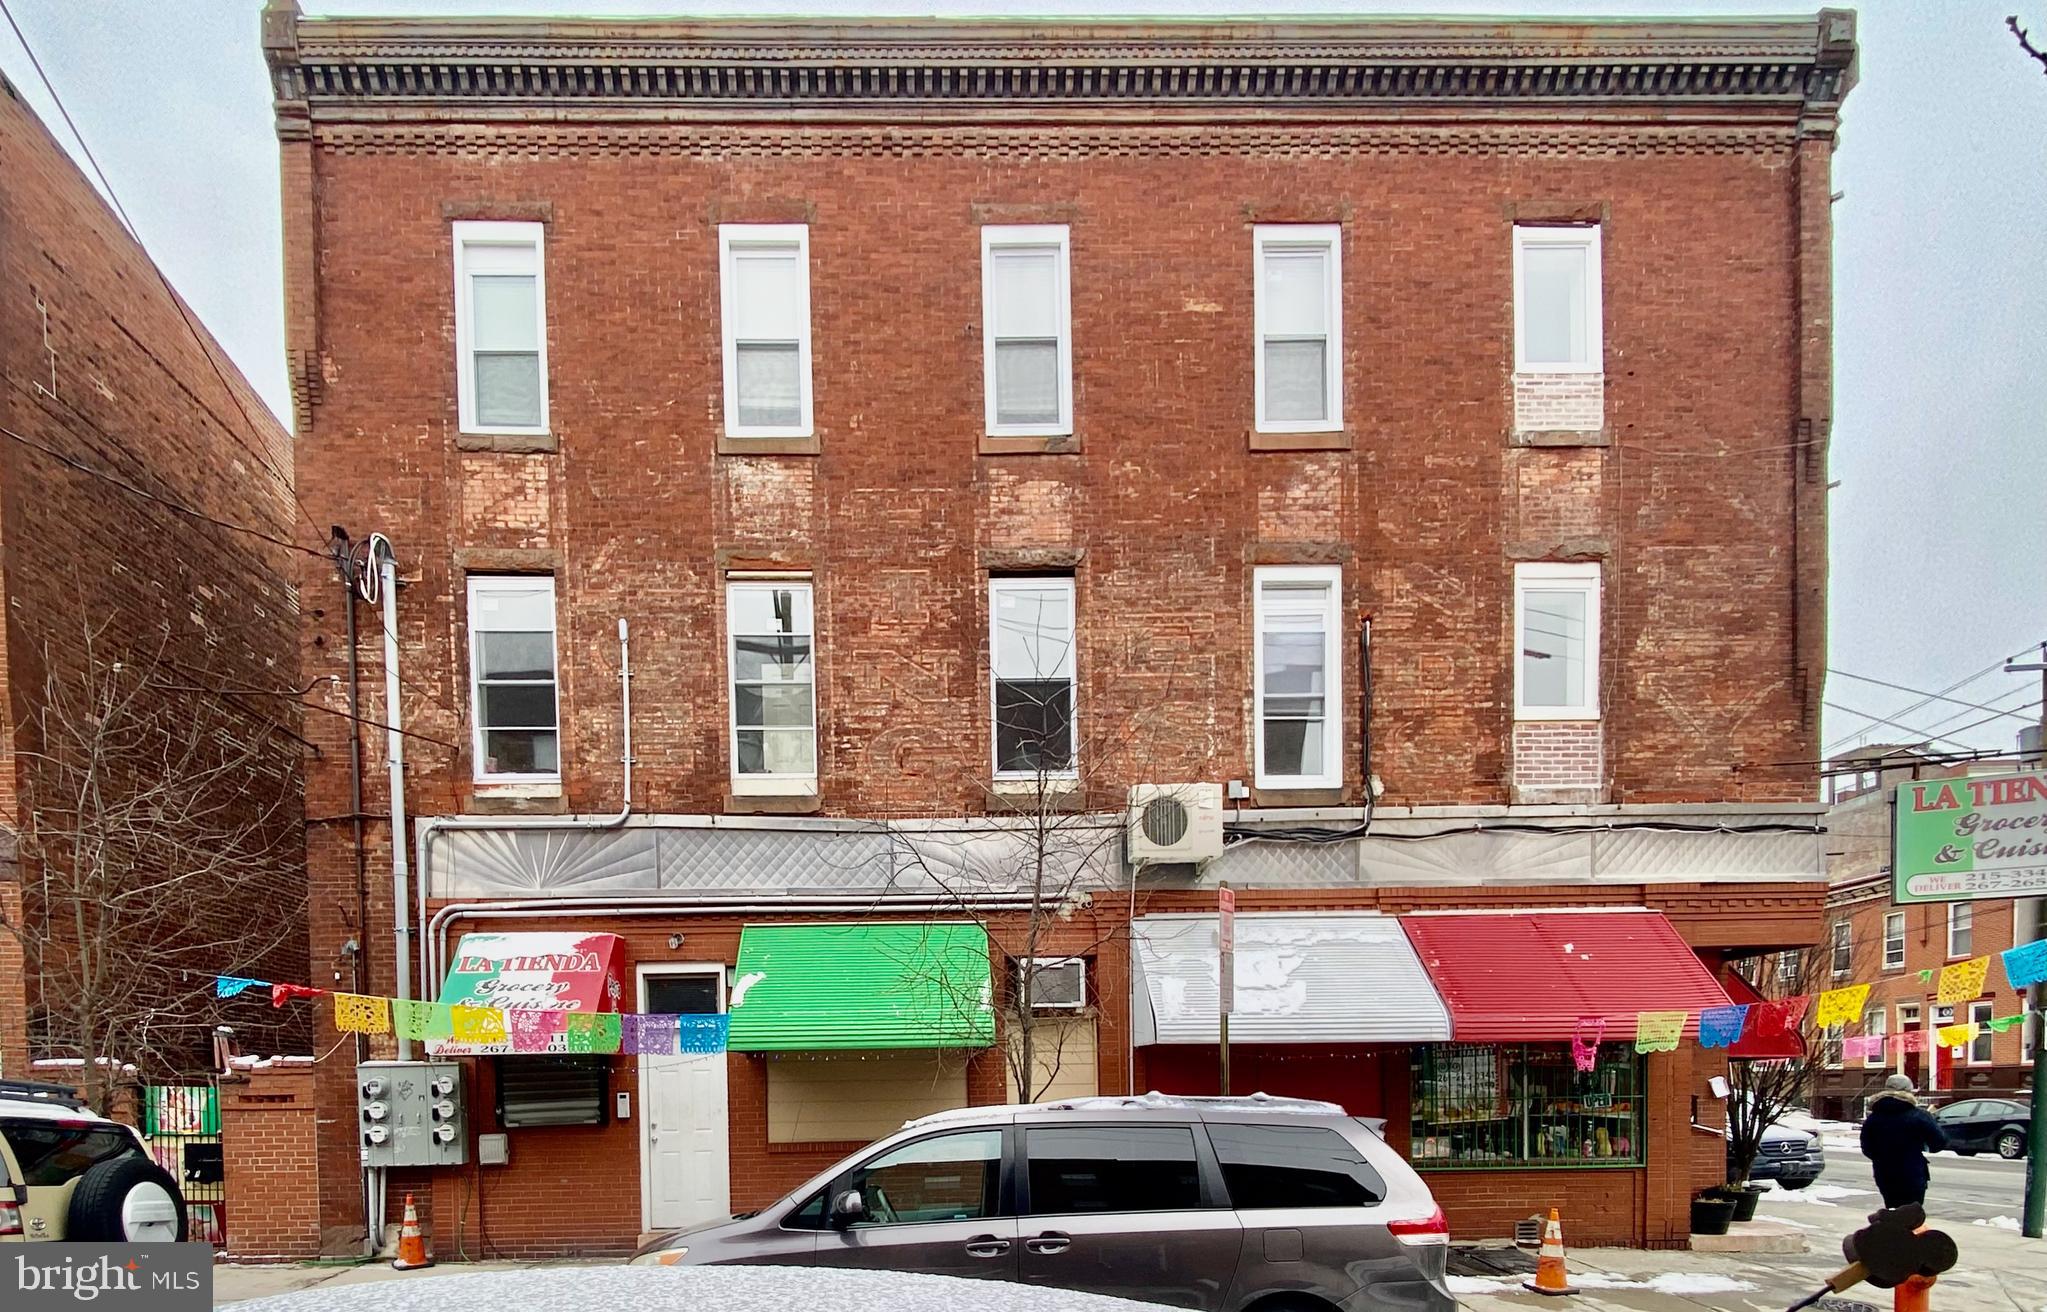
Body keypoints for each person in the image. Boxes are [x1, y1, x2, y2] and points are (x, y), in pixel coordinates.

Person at [1860, 1073, 1947, 1208]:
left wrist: (1882, 1157)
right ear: (1908, 1091)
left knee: (1892, 1210)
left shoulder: (1874, 1117)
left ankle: (1893, 1229)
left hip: (1884, 1173)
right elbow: (1939, 1142)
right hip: (1912, 1173)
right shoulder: (1919, 1115)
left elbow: (1867, 1148)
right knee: (1913, 1215)